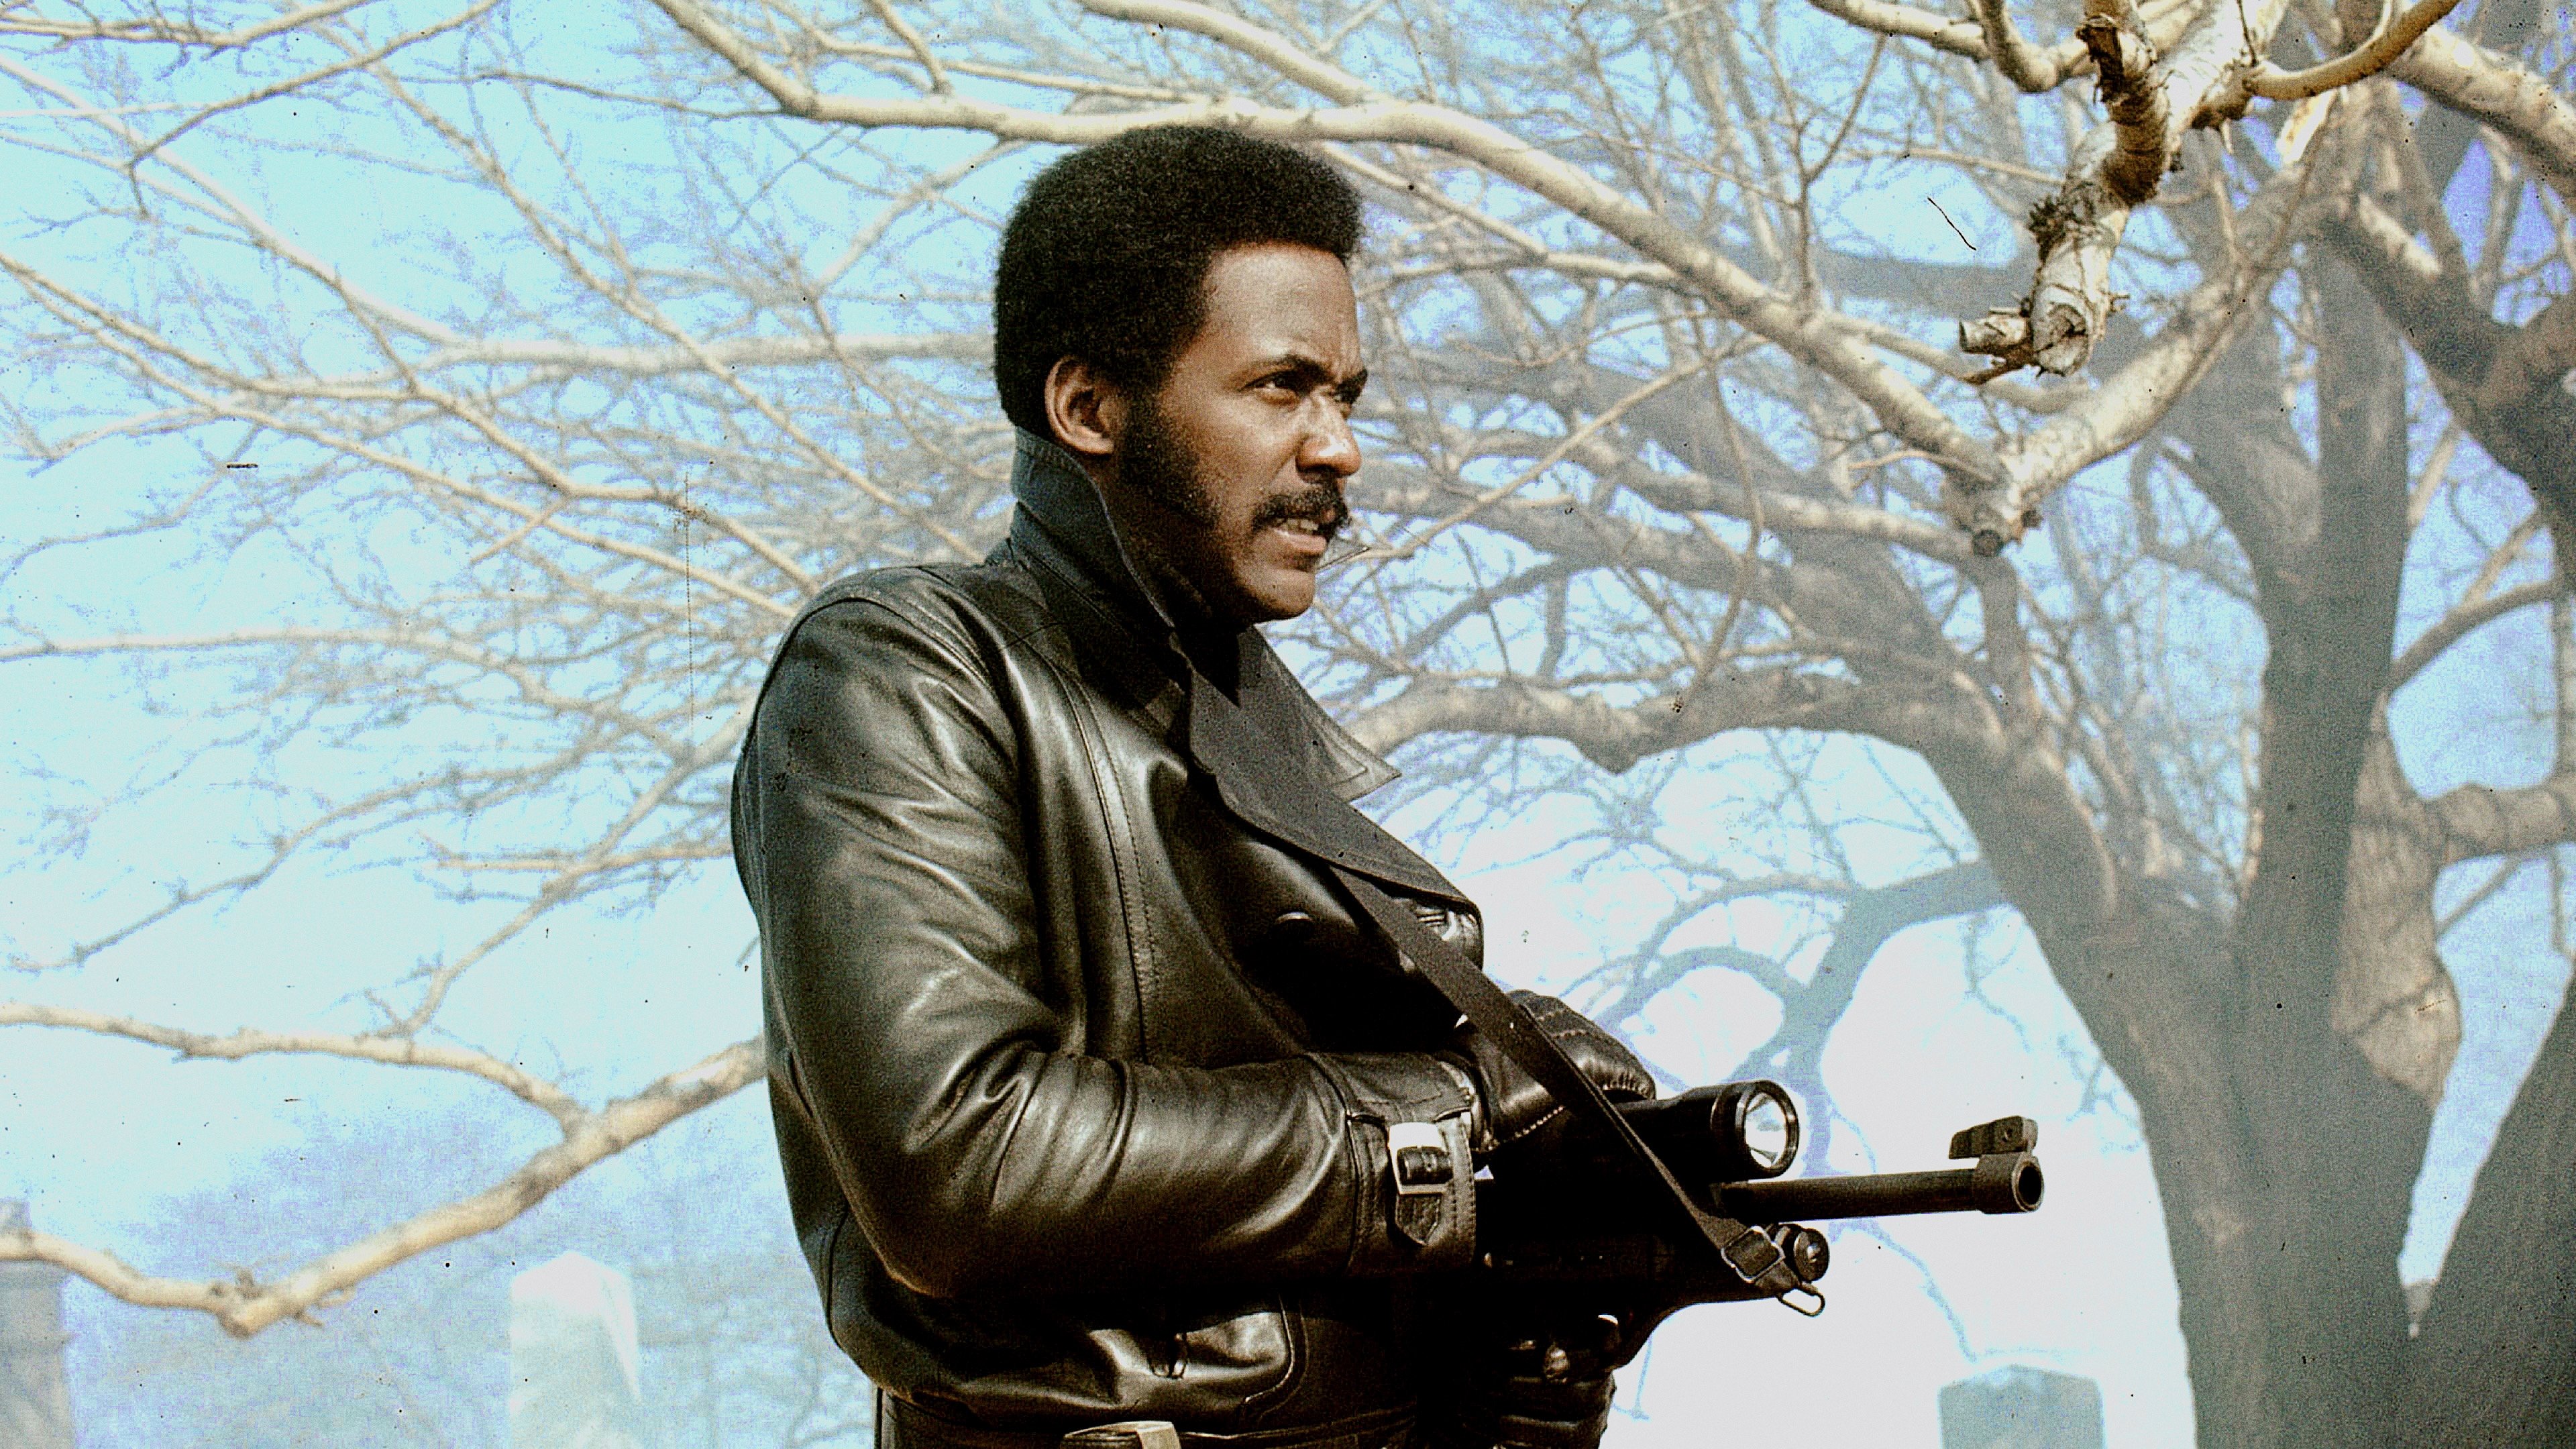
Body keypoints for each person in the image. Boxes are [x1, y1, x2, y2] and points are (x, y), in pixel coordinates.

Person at [730, 125, 1653, 1449]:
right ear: (1090, 410)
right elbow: (960, 1163)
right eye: (1282, 389)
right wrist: (1450, 1114)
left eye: (1346, 397)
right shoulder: (903, 669)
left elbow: (1283, 1234)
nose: (1339, 450)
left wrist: (1505, 1354)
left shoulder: (1250, 728)